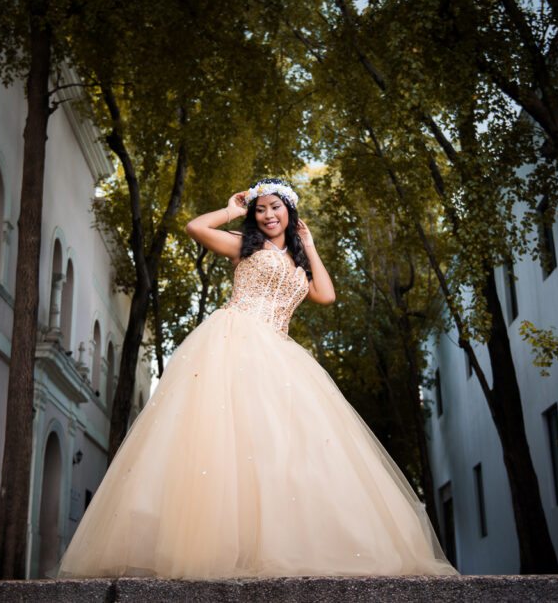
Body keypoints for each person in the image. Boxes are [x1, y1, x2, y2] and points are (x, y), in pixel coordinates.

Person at [56, 178, 457, 579]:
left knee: (281, 448)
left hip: (280, 354)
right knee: (227, 443)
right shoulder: (243, 245)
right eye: (261, 209)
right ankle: (221, 549)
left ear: (289, 212)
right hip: (234, 341)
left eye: (275, 208)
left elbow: (325, 294)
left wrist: (310, 244)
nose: (267, 215)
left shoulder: (300, 260)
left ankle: (274, 545)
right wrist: (233, 209)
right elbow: (196, 228)